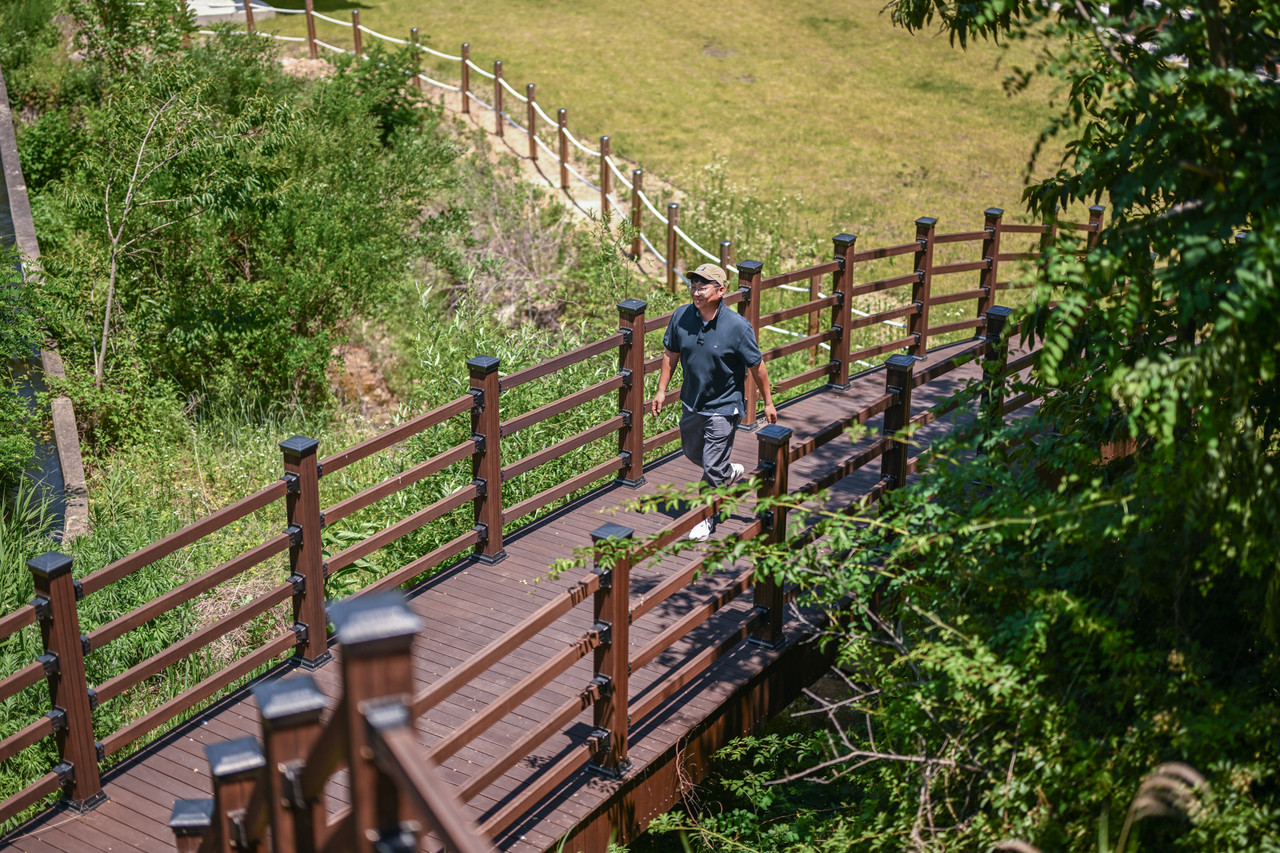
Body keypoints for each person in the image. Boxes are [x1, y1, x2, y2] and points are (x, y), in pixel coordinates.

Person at [650, 263, 778, 541]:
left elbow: (757, 367)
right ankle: (727, 471)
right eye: (694, 285)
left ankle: (705, 518)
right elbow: (670, 354)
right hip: (692, 402)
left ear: (721, 291)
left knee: (710, 467)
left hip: (724, 407)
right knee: (693, 453)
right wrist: (661, 391)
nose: (696, 291)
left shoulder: (738, 327)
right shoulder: (681, 316)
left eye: (703, 286)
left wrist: (768, 402)